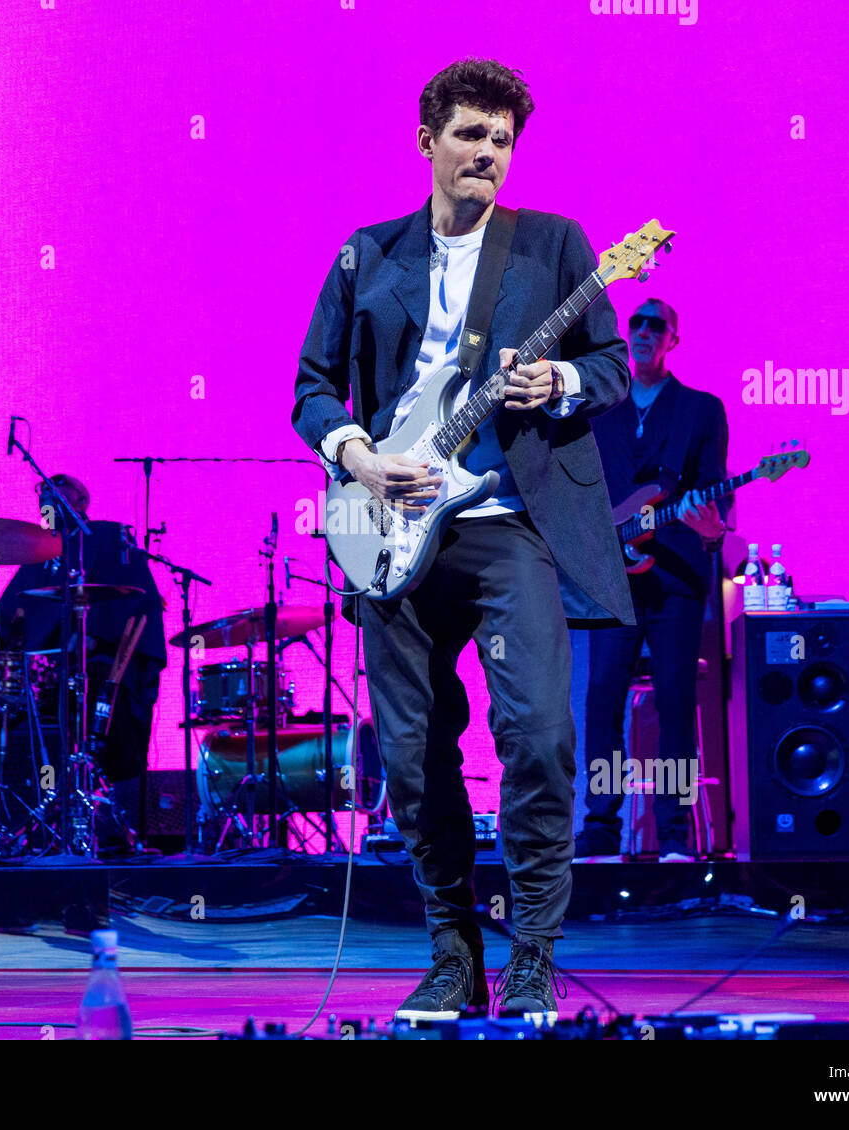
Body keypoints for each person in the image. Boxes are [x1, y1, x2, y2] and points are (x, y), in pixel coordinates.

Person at [293, 58, 634, 1021]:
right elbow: (311, 387)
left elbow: (607, 362)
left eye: (502, 140)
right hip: (391, 529)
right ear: (427, 141)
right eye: (471, 135)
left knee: (538, 736)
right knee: (410, 753)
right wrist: (358, 458)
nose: (489, 153)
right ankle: (453, 951)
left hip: (505, 523)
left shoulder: (555, 247)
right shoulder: (370, 254)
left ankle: (533, 953)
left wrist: (559, 384)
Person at [576, 299, 730, 862]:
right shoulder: (597, 414)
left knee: (674, 700)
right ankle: (598, 829)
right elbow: (578, 494)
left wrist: (712, 526)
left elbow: (717, 488)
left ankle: (674, 834)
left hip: (675, 578)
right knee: (601, 701)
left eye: (655, 325)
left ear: (673, 341)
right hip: (612, 581)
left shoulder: (700, 410)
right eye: (635, 323)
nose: (642, 331)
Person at [0, 474, 166, 848]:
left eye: (59, 496)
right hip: (30, 674)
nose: (49, 502)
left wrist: (82, 641)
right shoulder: (37, 555)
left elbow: (135, 607)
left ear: (82, 501)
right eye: (45, 498)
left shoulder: (108, 541)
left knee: (86, 676)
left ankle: (87, 812)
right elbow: (7, 616)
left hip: (82, 669)